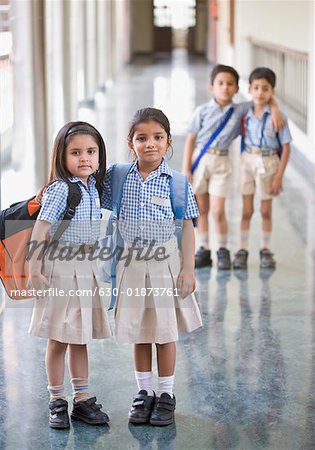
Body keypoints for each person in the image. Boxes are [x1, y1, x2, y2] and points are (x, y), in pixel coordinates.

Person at [102, 108, 202, 426]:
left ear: (168, 141)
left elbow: (187, 228)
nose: (150, 144)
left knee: (165, 332)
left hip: (165, 265)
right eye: (141, 138)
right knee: (140, 331)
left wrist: (188, 269)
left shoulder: (178, 183)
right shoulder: (117, 177)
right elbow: (89, 199)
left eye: (158, 137)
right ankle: (144, 392)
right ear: (130, 143)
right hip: (130, 263)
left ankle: (166, 394)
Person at [28, 121, 112, 429]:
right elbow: (42, 229)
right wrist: (34, 269)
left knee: (80, 337)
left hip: (85, 269)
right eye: (75, 153)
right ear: (61, 157)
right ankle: (56, 400)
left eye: (91, 151)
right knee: (58, 338)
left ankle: (82, 399)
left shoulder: (93, 187)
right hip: (60, 270)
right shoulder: (62, 189)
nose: (84, 158)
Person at [182, 64, 284, 270]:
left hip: (222, 163)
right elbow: (191, 138)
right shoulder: (202, 111)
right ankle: (204, 248)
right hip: (199, 160)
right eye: (220, 83)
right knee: (202, 209)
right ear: (212, 87)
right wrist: (186, 168)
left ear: (237, 88)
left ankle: (222, 249)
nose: (225, 88)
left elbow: (261, 97)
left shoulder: (240, 110)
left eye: (230, 84)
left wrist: (274, 109)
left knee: (218, 211)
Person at [232, 67, 291, 270]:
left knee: (266, 210)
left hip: (269, 162)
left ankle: (265, 249)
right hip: (248, 160)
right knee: (247, 210)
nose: (260, 92)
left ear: (272, 92)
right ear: (249, 89)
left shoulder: (278, 117)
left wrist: (279, 177)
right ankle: (242, 249)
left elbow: (286, 147)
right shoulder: (244, 112)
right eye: (256, 87)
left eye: (265, 88)